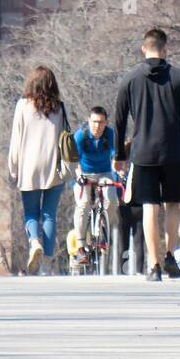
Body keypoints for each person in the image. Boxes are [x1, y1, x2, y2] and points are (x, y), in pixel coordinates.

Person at [113, 27, 180, 284]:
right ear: (165, 50)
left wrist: (119, 153)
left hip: (143, 154)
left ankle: (154, 266)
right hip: (174, 151)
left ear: (144, 48)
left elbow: (119, 120)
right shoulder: (179, 77)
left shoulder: (130, 79)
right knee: (173, 205)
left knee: (150, 207)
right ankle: (170, 256)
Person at [7, 66, 68, 276]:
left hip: (29, 166)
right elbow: (64, 138)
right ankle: (47, 263)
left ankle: (35, 243)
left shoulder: (23, 106)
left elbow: (16, 140)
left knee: (31, 212)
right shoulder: (59, 108)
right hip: (54, 166)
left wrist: (13, 168)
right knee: (49, 215)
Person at [72, 106, 118, 257]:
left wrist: (118, 169)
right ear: (89, 121)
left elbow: (115, 156)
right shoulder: (81, 136)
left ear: (106, 123)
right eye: (94, 122)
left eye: (101, 122)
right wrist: (79, 174)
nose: (97, 126)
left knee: (111, 199)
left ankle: (104, 234)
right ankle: (80, 247)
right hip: (84, 173)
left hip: (104, 172)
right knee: (83, 204)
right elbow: (74, 160)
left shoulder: (110, 134)